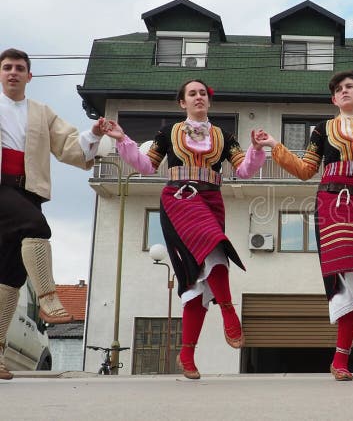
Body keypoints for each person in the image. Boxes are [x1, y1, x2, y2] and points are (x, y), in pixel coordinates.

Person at [102, 79, 269, 379]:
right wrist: (122, 139)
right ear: (183, 103)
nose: (198, 97)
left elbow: (243, 169)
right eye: (192, 94)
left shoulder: (224, 136)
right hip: (180, 199)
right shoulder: (168, 133)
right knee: (216, 245)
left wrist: (256, 149)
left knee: (197, 285)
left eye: (203, 93)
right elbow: (147, 165)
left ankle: (187, 354)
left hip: (213, 200)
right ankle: (229, 311)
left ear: (209, 100)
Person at [261, 70, 353, 381]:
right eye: (338, 90)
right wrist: (275, 146)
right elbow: (306, 170)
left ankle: (340, 360)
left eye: (349, 87)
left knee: (352, 283)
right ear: (334, 99)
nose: (344, 91)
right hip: (334, 202)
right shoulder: (323, 129)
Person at [0, 48, 104, 380]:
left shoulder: (40, 112)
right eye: (6, 68)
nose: (13, 72)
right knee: (36, 227)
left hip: (28, 191)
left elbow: (70, 144)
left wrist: (95, 133)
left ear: (30, 76)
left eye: (19, 68)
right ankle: (48, 295)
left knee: (10, 277)